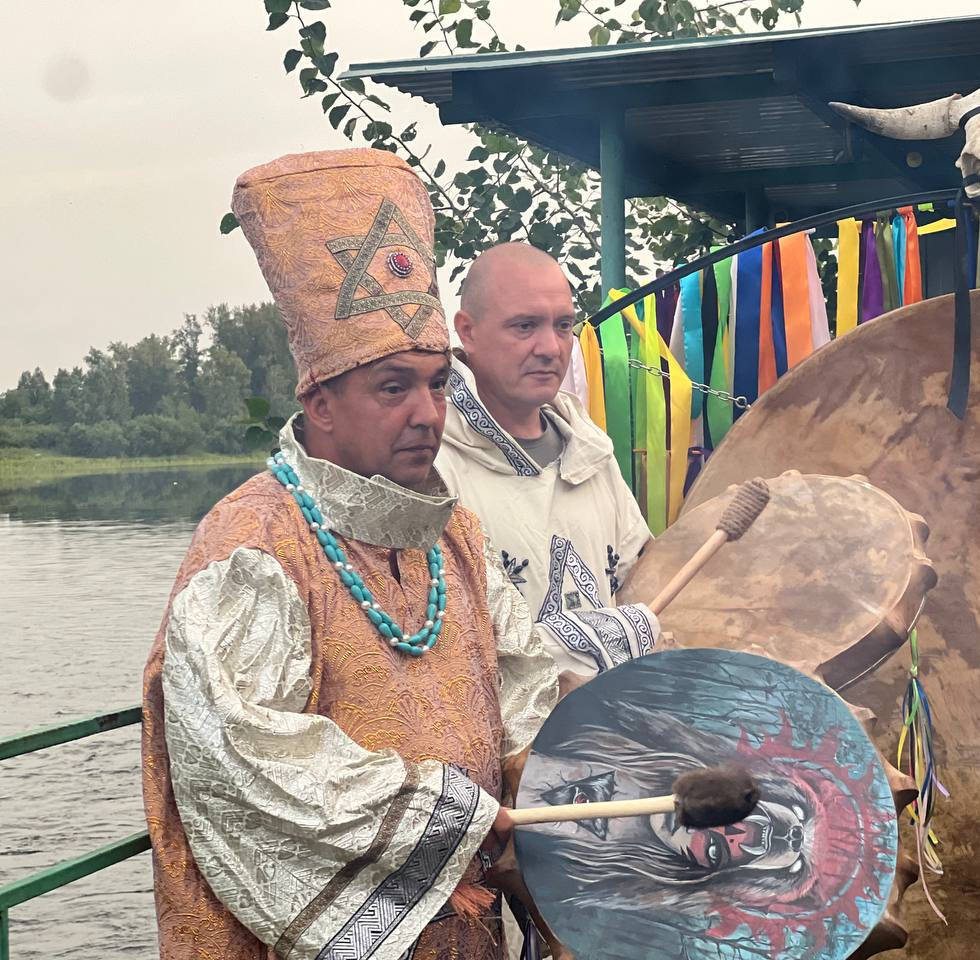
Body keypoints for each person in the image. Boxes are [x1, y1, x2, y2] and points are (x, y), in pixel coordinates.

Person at [140, 149, 656, 960]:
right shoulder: (253, 545)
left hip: (469, 927)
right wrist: (450, 812)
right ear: (321, 402)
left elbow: (520, 679)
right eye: (392, 388)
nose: (426, 413)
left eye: (437, 384)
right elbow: (244, 757)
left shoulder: (449, 535)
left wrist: (579, 771)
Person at [435, 243, 654, 677]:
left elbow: (640, 581)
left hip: (612, 733)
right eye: (525, 326)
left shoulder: (591, 451)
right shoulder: (432, 467)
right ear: (468, 331)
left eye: (563, 325)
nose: (551, 347)